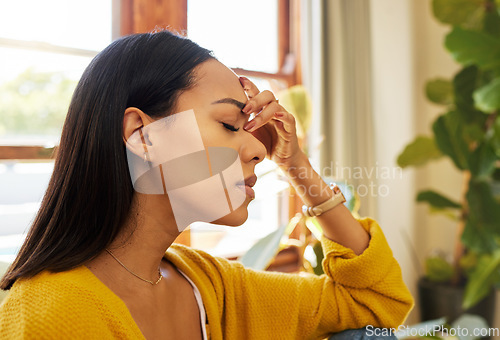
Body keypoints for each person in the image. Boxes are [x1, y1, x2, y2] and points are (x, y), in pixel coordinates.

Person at [0, 30, 413, 339]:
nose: (258, 148)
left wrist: (296, 164)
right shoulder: (49, 314)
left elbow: (374, 304)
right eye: (229, 124)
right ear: (143, 136)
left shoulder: (209, 285)